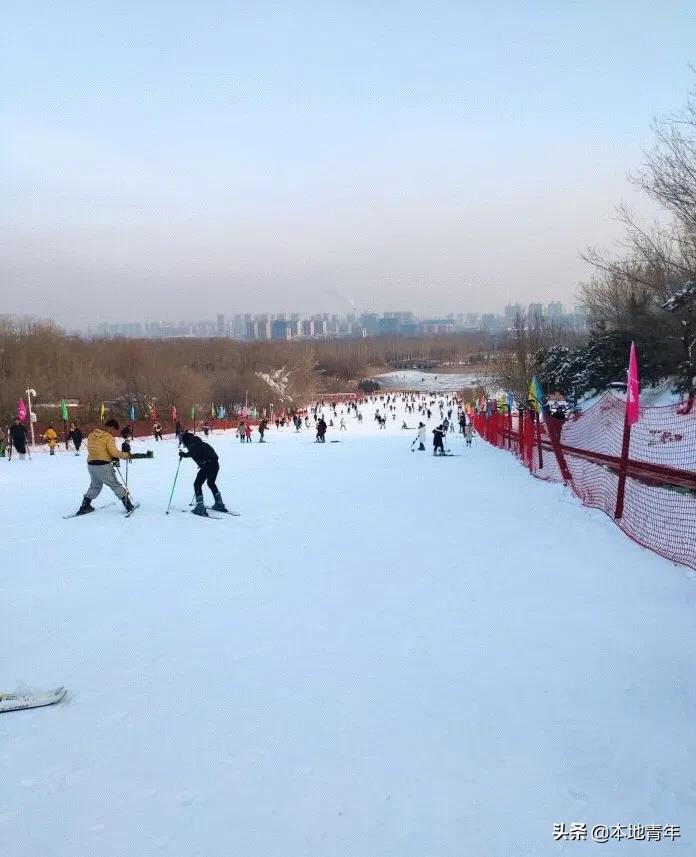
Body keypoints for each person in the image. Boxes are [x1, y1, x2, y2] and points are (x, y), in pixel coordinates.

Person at [73, 419, 149, 516]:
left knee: (95, 486)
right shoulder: (108, 437)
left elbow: (95, 449)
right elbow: (114, 453)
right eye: (114, 430)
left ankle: (85, 506)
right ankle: (128, 506)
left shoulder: (91, 435)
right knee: (115, 484)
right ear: (111, 427)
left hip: (91, 465)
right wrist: (127, 455)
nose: (113, 433)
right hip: (103, 465)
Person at [178, 431, 227, 516]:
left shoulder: (193, 445)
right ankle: (219, 504)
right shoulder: (201, 443)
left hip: (207, 466)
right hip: (215, 465)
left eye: (183, 442)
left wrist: (184, 454)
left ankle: (200, 507)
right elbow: (198, 453)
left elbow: (193, 452)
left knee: (197, 484)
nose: (184, 445)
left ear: (186, 440)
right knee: (211, 483)